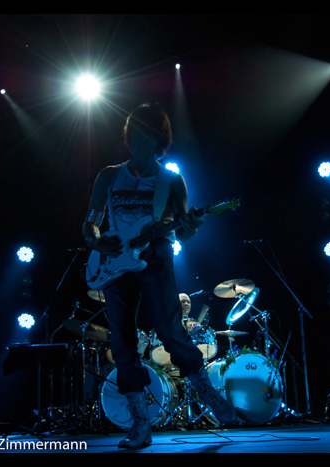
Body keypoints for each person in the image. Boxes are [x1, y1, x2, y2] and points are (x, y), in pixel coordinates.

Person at [82, 102, 235, 449]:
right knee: (121, 342)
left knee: (170, 331)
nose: (140, 140)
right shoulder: (108, 175)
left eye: (147, 135)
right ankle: (139, 424)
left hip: (156, 260)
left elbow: (182, 233)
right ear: (128, 136)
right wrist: (95, 239)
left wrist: (193, 225)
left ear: (158, 141)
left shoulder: (171, 180)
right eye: (135, 133)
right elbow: (90, 220)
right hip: (115, 265)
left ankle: (205, 390)